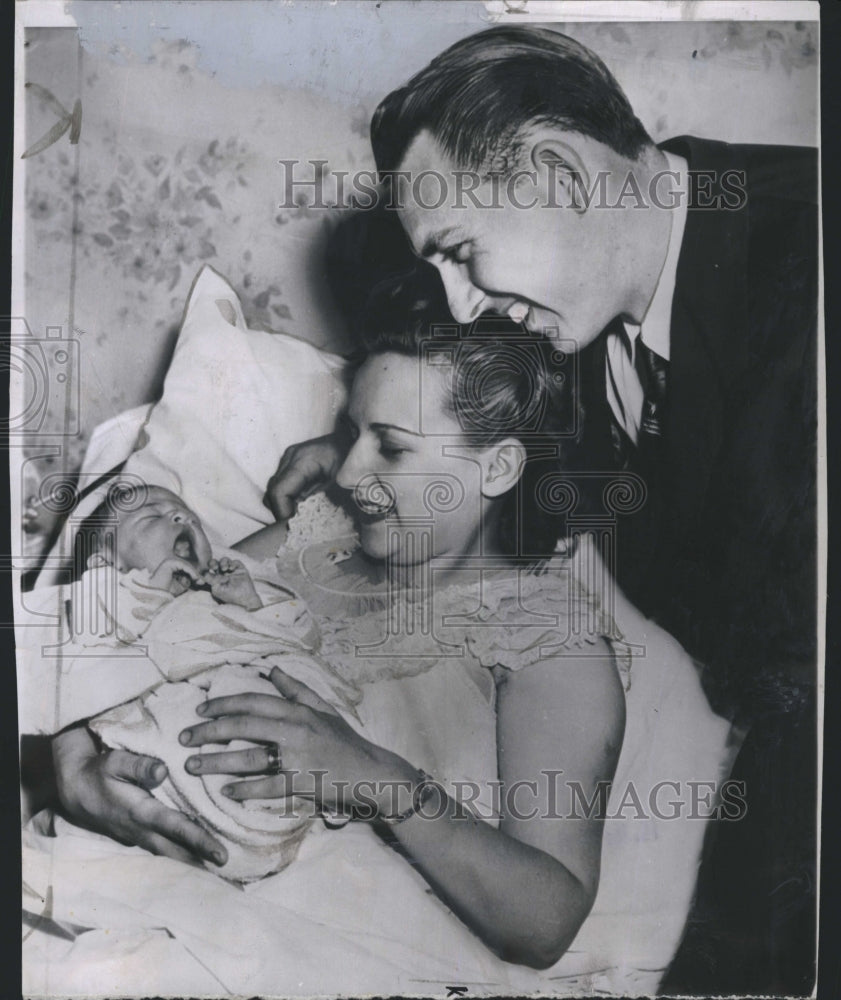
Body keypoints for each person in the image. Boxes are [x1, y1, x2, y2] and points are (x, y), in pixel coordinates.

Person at [265, 26, 819, 995]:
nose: (464, 305)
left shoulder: (809, 269)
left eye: (462, 252)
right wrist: (361, 452)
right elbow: (534, 451)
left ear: (559, 176)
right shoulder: (587, 305)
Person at [36, 279, 731, 995]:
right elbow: (158, 628)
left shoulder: (543, 640)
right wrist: (74, 760)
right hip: (167, 866)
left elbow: (544, 918)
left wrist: (371, 776)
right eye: (351, 432)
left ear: (495, 468)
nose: (344, 470)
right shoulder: (323, 533)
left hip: (344, 937)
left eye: (389, 447)